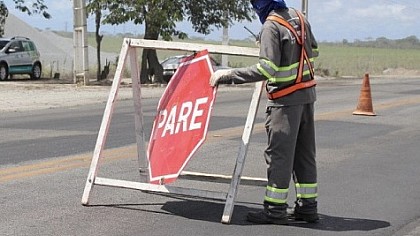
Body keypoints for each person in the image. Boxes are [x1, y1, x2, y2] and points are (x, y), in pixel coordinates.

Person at [210, 0, 319, 225]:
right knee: (304, 154)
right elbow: (314, 51)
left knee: (280, 156)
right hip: (307, 97)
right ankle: (308, 208)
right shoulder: (299, 17)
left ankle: (275, 210)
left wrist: (229, 75)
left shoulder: (271, 26)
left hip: (285, 101)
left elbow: (266, 69)